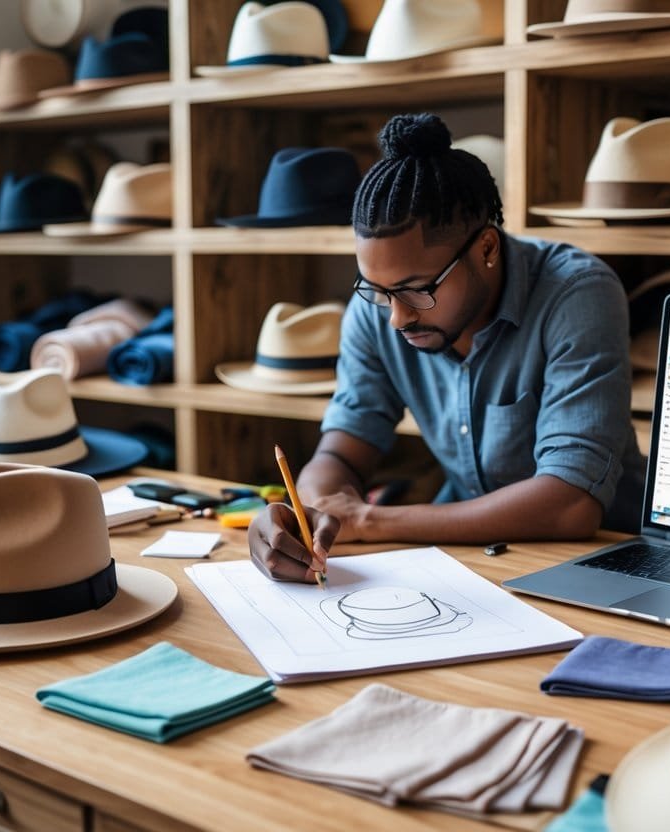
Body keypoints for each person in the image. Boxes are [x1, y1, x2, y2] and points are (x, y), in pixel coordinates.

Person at [249, 113, 645, 583]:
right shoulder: (379, 306)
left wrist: (367, 520)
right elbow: (342, 452)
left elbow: (570, 505)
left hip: (607, 559)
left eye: (417, 290)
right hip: (475, 557)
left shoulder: (576, 293)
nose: (395, 317)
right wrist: (309, 514)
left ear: (487, 250)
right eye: (377, 290)